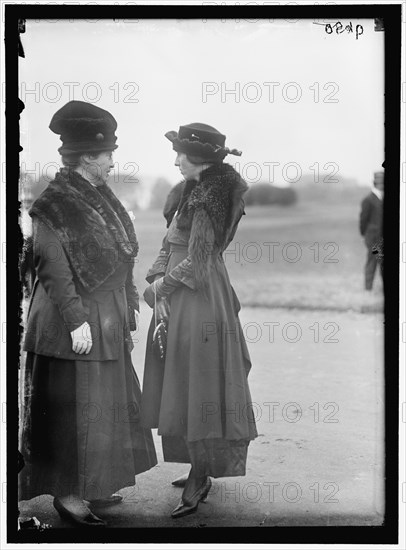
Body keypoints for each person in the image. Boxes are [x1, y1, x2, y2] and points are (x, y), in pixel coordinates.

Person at [19, 101, 157, 527]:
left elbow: (123, 257)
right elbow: (52, 266)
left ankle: (93, 484)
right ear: (87, 158)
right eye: (107, 155)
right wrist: (78, 320)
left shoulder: (98, 196)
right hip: (69, 322)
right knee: (72, 411)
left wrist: (127, 305)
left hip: (106, 316)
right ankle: (68, 494)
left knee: (104, 405)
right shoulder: (54, 204)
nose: (112, 161)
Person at [141, 123, 258, 518]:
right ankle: (197, 464)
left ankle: (201, 471)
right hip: (178, 292)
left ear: (201, 159)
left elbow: (203, 259)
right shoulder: (189, 190)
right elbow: (168, 241)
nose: (175, 161)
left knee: (201, 385)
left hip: (200, 298)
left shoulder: (212, 196)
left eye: (181, 155)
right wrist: (156, 279)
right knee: (182, 380)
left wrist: (164, 288)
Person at [359, 171, 384, 290]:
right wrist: (365, 235)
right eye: (380, 182)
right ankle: (368, 289)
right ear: (376, 183)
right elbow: (363, 220)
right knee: (373, 263)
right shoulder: (368, 200)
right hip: (373, 239)